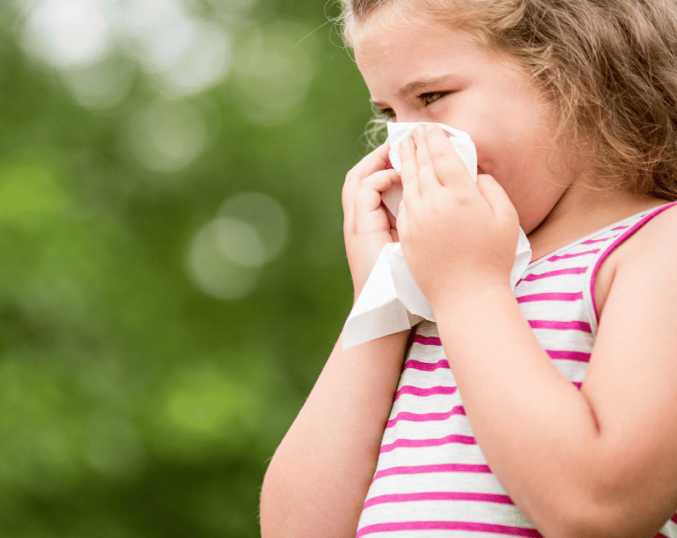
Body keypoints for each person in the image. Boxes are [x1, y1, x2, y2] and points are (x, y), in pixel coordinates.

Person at [261, 0, 677, 536]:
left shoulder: (654, 248)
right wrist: (383, 302)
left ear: (575, 71)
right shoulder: (442, 284)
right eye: (389, 115)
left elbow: (598, 509)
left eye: (431, 98)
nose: (403, 146)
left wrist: (468, 288)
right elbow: (298, 529)